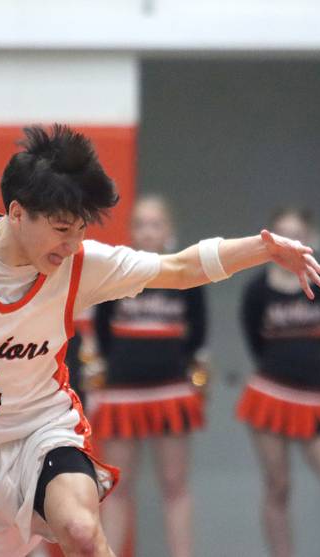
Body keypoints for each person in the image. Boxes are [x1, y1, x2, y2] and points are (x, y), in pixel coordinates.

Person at [0, 124, 320, 557]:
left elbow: (178, 269)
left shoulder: (80, 264)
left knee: (82, 532)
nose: (72, 244)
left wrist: (265, 248)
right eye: (62, 228)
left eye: (81, 230)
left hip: (42, 429)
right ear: (16, 212)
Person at [88, 195, 206, 557]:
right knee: (118, 486)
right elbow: (103, 330)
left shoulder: (186, 273)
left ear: (168, 230)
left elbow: (198, 331)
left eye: (155, 224)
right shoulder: (118, 272)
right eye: (140, 223)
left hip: (171, 389)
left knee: (174, 484)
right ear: (132, 231)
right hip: (123, 391)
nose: (148, 231)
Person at [236, 208, 320, 557]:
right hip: (270, 393)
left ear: (310, 239)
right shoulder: (257, 290)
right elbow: (255, 344)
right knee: (277, 487)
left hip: (318, 397)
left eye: (296, 234)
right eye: (281, 235)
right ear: (270, 243)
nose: (289, 242)